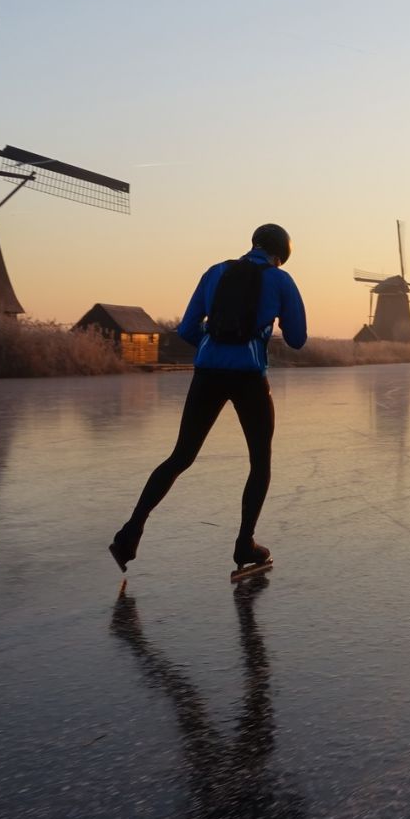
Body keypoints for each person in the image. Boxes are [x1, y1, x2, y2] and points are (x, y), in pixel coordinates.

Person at [111, 223, 307, 575]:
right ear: (282, 254)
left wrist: (216, 339)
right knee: (260, 461)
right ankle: (245, 544)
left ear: (254, 243)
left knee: (180, 456)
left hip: (207, 375)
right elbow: (297, 339)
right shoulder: (281, 280)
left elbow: (186, 329)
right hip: (249, 377)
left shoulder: (215, 272)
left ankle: (130, 532)